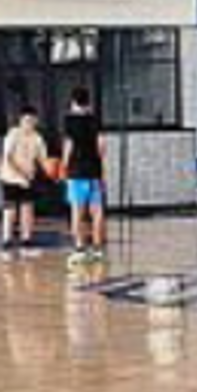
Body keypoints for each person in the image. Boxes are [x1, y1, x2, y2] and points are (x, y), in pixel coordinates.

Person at [62, 87, 108, 265]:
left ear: (73, 101)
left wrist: (64, 166)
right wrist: (102, 171)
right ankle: (97, 250)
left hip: (77, 172)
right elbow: (102, 147)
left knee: (77, 212)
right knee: (97, 212)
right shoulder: (95, 120)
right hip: (94, 171)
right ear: (88, 102)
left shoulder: (69, 120)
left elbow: (69, 145)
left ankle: (80, 249)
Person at [0, 105, 48, 257]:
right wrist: (22, 174)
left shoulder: (37, 137)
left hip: (28, 178)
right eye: (27, 120)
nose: (29, 123)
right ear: (21, 120)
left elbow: (43, 159)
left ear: (36, 121)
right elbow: (8, 158)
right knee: (10, 209)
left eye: (32, 120)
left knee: (27, 208)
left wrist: (54, 172)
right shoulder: (13, 134)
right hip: (10, 177)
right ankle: (7, 241)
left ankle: (26, 240)